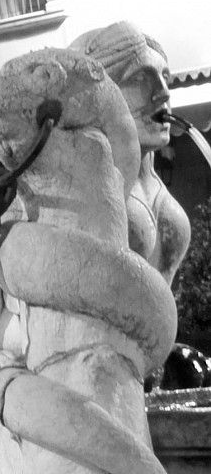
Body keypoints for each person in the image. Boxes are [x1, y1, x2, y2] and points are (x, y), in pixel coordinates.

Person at [71, 21, 191, 289]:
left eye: (165, 76)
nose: (163, 92)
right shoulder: (85, 189)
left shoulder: (151, 183)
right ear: (95, 97)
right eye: (139, 78)